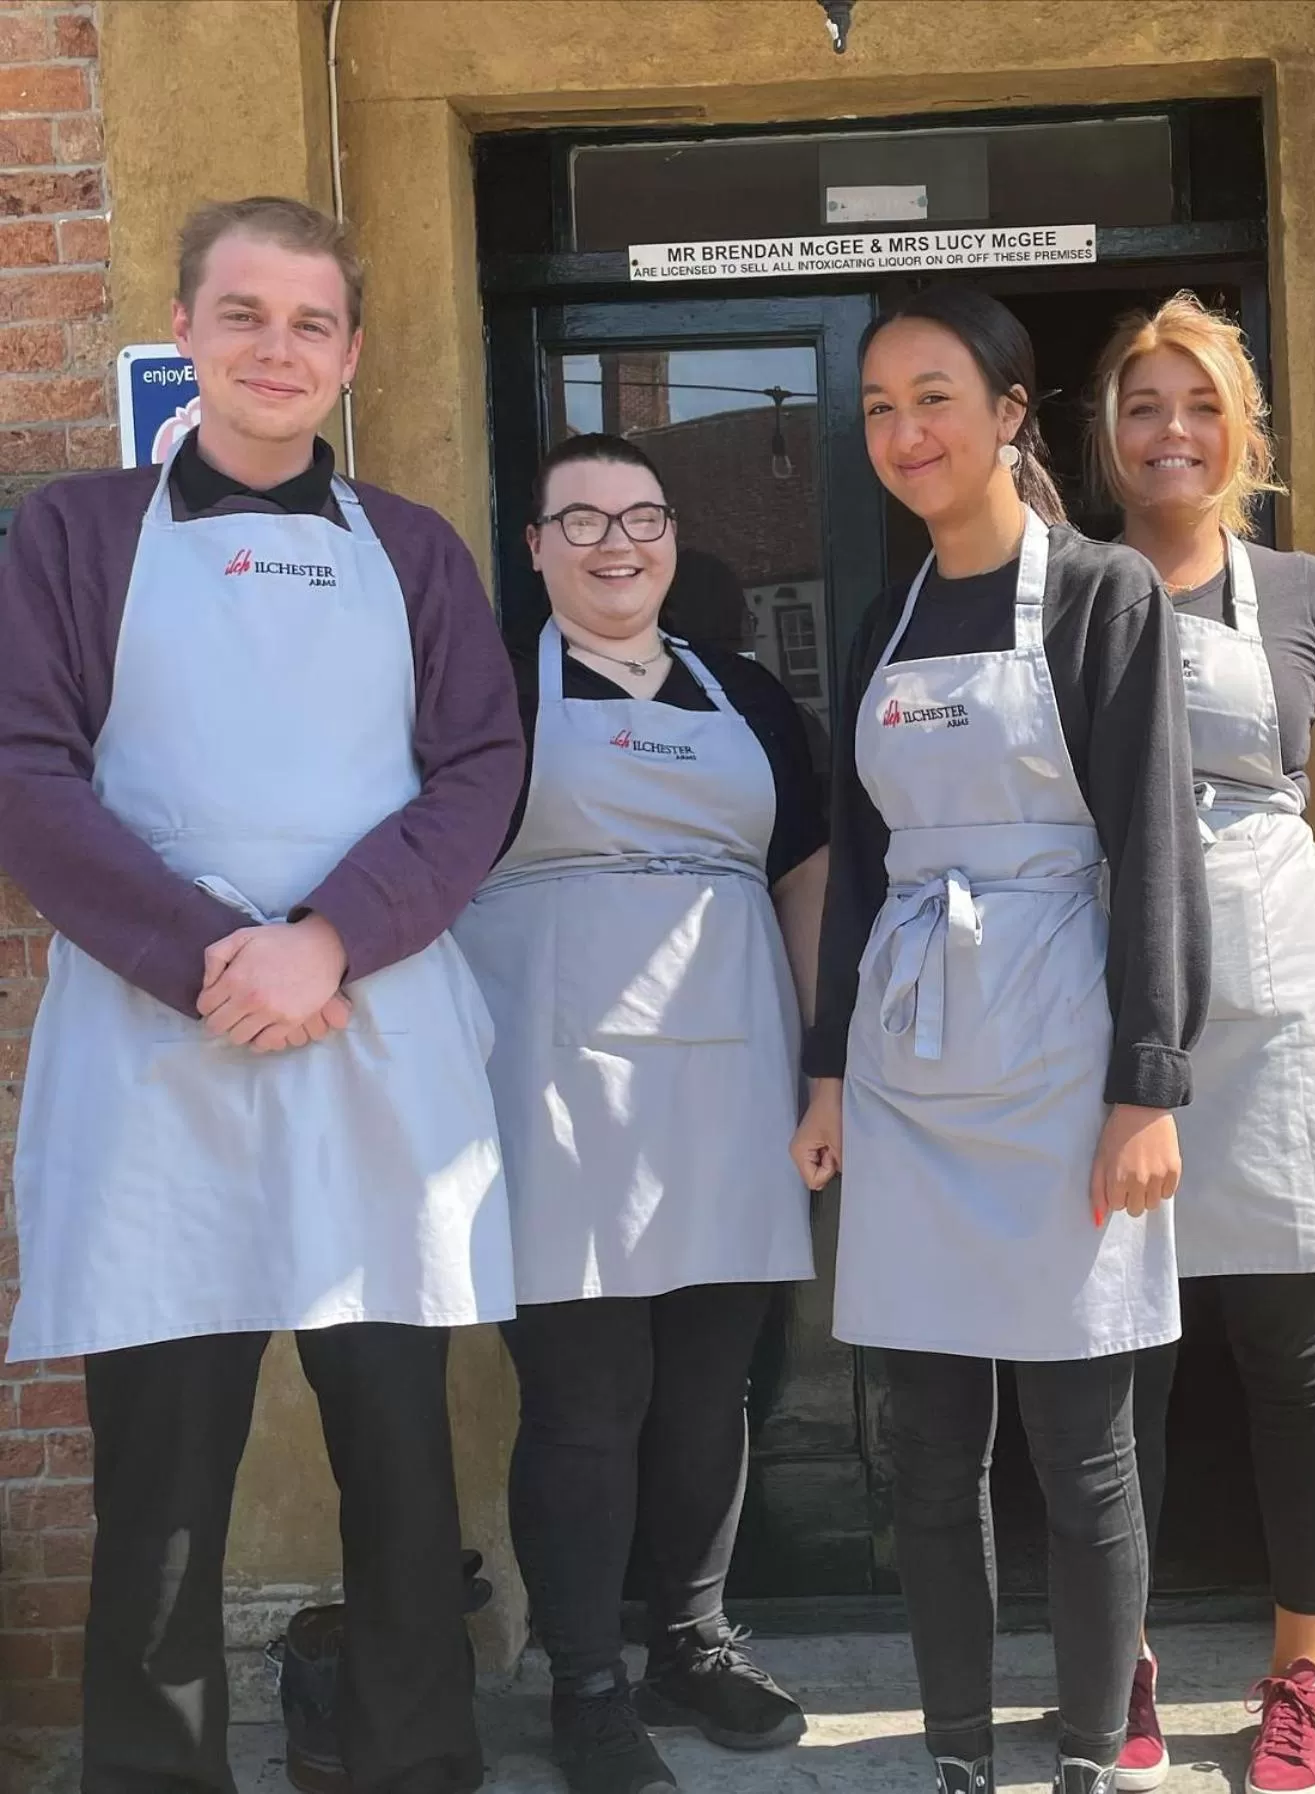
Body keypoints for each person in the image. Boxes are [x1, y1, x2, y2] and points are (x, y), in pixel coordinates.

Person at [0, 197, 524, 1794]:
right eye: (244, 315)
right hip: (154, 1044)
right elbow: (22, 768)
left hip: (373, 1027)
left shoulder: (418, 551)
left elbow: (481, 772)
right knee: (160, 1482)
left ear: (351, 354)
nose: (276, 349)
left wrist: (329, 940)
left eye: (310, 323)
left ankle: (412, 1766)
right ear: (185, 331)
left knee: (398, 1463)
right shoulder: (75, 537)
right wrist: (204, 954)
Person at [790, 286, 1211, 1794]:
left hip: (1060, 1044)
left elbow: (1158, 849)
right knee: (930, 1441)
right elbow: (857, 856)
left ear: (1012, 413)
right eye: (881, 407)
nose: (905, 431)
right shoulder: (884, 619)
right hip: (909, 1059)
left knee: (1085, 1432)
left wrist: (1145, 1083)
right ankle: (961, 1750)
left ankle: (1093, 1750)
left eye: (935, 397)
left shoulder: (1105, 597)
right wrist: (829, 1065)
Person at [1089, 292, 1315, 1794]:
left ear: (1245, 429)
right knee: (1119, 1352)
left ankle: (1303, 1669)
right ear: (1100, 432)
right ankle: (1124, 1651)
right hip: (1111, 1000)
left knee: (1291, 1348)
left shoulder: (1304, 593)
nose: (1172, 429)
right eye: (1143, 401)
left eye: (1199, 401)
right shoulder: (1057, 588)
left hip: (1290, 991)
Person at [451, 433, 828, 1794]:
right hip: (550, 1079)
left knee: (712, 1387)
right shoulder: (488, 688)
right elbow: (422, 871)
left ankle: (690, 1637)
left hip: (730, 1072)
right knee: (586, 1394)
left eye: (645, 517)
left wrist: (820, 1065)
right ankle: (585, 1680)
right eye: (584, 520)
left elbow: (803, 876)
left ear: (674, 538)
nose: (620, 543)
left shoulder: (749, 694)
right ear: (537, 545)